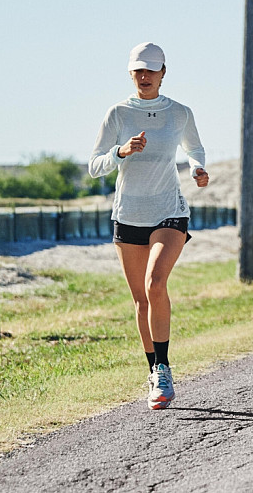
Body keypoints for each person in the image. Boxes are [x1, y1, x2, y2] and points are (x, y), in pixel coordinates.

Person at [88, 42, 209, 410]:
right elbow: (94, 165)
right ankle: (154, 371)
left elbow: (194, 149)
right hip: (129, 214)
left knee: (155, 283)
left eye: (151, 69)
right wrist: (120, 151)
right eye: (138, 70)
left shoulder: (179, 113)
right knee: (141, 300)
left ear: (163, 73)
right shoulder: (118, 114)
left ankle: (164, 368)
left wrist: (197, 168)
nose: (144, 76)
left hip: (169, 209)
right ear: (131, 73)